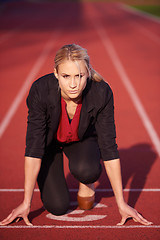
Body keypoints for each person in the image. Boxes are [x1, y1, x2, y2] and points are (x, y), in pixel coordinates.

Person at [0, 44, 152, 226]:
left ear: (88, 73)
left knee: (87, 171)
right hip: (49, 145)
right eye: (66, 76)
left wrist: (122, 203)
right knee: (57, 207)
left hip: (82, 139)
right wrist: (26, 203)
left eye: (79, 76)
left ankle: (86, 181)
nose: (73, 84)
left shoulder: (101, 92)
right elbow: (34, 148)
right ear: (56, 73)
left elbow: (109, 147)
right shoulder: (40, 91)